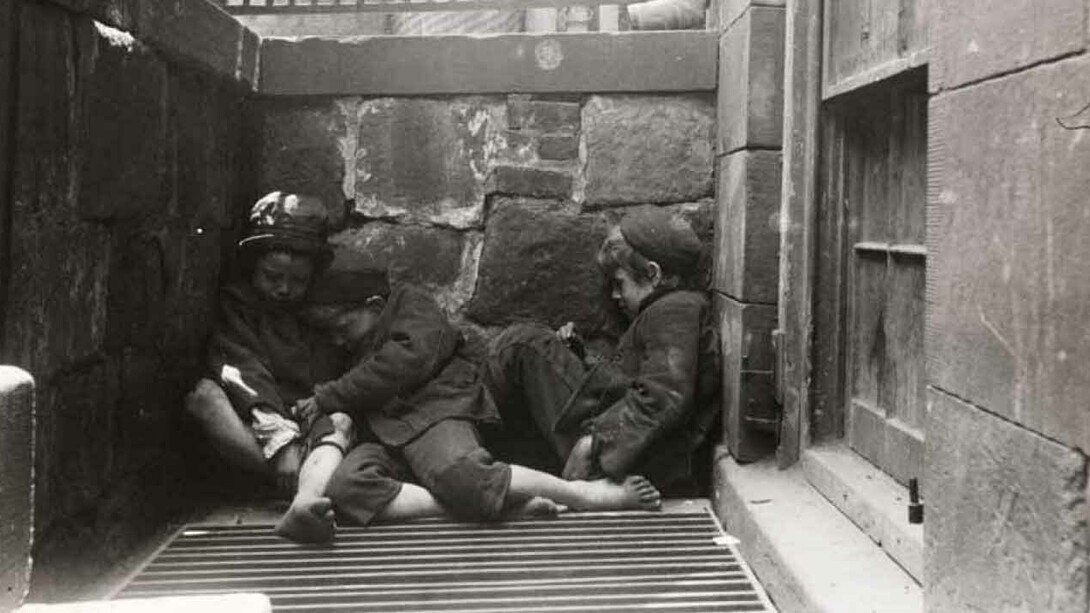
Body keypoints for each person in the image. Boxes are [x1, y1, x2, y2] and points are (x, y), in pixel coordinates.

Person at [279, 270, 662, 543]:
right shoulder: (343, 347)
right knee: (346, 490)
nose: (338, 340)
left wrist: (331, 395)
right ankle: (494, 506)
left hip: (431, 408)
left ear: (375, 306)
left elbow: (407, 361)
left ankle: (584, 495)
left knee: (462, 475)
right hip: (383, 429)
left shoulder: (412, 306)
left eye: (343, 328)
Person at [485, 205, 721, 495]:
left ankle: (474, 467)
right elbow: (635, 379)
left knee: (523, 344)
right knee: (531, 345)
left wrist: (594, 442)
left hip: (634, 457)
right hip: (624, 442)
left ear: (652, 273)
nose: (614, 295)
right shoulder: (671, 310)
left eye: (620, 283)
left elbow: (665, 395)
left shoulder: (676, 309)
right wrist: (580, 356)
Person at [185, 191, 349, 497]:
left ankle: (307, 478)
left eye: (298, 281)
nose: (284, 289)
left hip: (309, 422)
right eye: (271, 276)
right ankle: (299, 479)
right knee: (204, 397)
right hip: (258, 423)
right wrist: (281, 441)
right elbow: (242, 371)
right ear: (253, 268)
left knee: (342, 423)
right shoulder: (238, 306)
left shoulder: (319, 311)